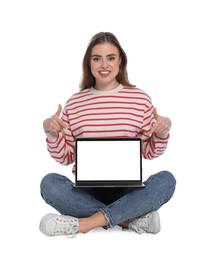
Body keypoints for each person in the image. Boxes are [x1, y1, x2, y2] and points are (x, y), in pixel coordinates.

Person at [39, 32, 176, 238]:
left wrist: (161, 134)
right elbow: (66, 158)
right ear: (89, 63)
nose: (104, 65)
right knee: (49, 183)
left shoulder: (140, 99)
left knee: (166, 180)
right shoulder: (75, 103)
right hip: (87, 190)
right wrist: (52, 135)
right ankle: (128, 220)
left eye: (111, 58)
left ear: (120, 61)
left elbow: (149, 152)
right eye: (97, 58)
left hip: (128, 190)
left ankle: (84, 224)